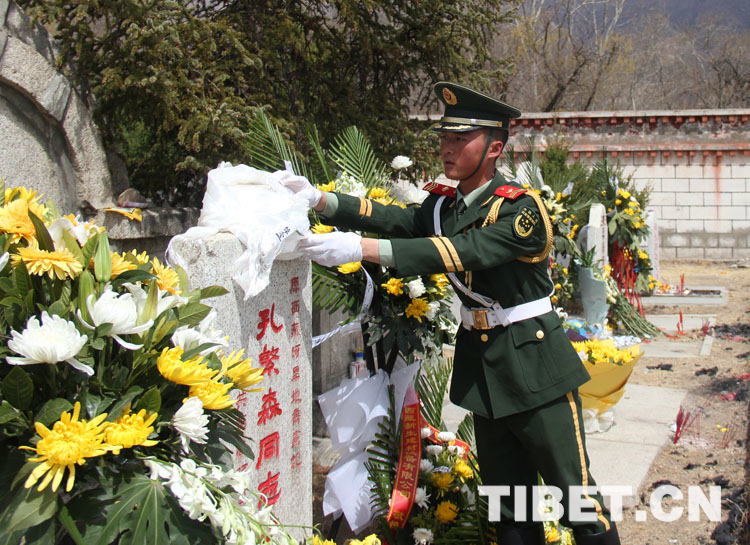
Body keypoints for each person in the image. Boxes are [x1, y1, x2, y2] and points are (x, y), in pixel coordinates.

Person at [282, 82, 620, 545]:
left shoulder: (520, 210)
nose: (447, 148)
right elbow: (398, 219)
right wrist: (323, 201)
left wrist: (362, 249)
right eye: (444, 138)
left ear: (494, 147)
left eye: (461, 139)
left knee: (577, 502)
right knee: (510, 507)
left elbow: (463, 251)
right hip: (487, 369)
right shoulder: (445, 205)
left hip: (535, 368)